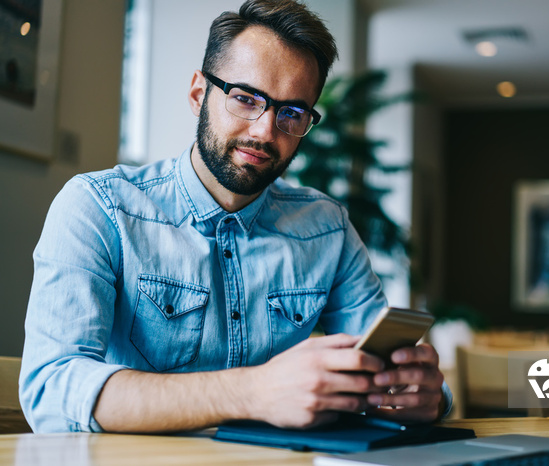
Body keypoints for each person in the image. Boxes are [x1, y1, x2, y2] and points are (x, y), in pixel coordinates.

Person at [19, 0, 451, 434]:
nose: (265, 131)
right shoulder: (99, 208)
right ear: (198, 94)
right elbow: (51, 391)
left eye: (292, 113)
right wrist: (251, 391)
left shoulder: (328, 230)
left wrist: (421, 397)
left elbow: (385, 374)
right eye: (245, 98)